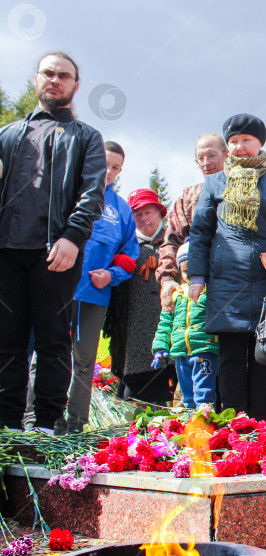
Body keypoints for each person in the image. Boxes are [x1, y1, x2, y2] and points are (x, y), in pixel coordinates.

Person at [0, 52, 105, 433]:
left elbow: (93, 194)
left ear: (75, 86)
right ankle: (6, 424)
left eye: (64, 75)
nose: (54, 79)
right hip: (6, 252)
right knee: (6, 342)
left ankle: (45, 423)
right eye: (48, 73)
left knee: (52, 340)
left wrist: (73, 236)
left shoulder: (86, 137)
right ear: (36, 79)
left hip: (55, 253)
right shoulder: (8, 134)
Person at [188, 114, 266, 420]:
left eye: (246, 140)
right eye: (234, 141)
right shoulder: (215, 182)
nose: (240, 147)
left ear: (260, 143)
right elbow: (200, 232)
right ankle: (232, 425)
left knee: (263, 357)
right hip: (227, 282)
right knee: (229, 358)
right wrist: (197, 276)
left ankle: (260, 427)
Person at [64, 141, 139, 433]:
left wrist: (111, 274)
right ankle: (36, 420)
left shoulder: (121, 209)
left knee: (83, 362)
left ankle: (74, 425)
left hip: (93, 296)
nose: (109, 171)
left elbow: (129, 254)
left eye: (116, 167)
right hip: (55, 290)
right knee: (45, 355)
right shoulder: (68, 191)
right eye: (104, 163)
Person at [106, 188, 176, 404]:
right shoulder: (125, 246)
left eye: (149, 212)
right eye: (138, 214)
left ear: (159, 213)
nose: (144, 219)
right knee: (136, 398)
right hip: (134, 336)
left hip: (171, 329)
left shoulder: (174, 243)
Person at [157, 134, 228, 312]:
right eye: (200, 158)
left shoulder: (246, 192)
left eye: (211, 155)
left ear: (227, 154)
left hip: (237, 287)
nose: (205, 163)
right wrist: (167, 279)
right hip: (197, 292)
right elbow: (171, 241)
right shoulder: (188, 197)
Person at [151, 240, 219, 408]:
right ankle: (189, 424)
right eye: (185, 271)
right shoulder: (177, 294)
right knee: (187, 394)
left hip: (205, 350)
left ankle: (205, 421)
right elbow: (165, 323)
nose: (190, 275)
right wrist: (160, 347)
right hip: (181, 352)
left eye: (194, 271)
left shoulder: (210, 291)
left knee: (204, 391)